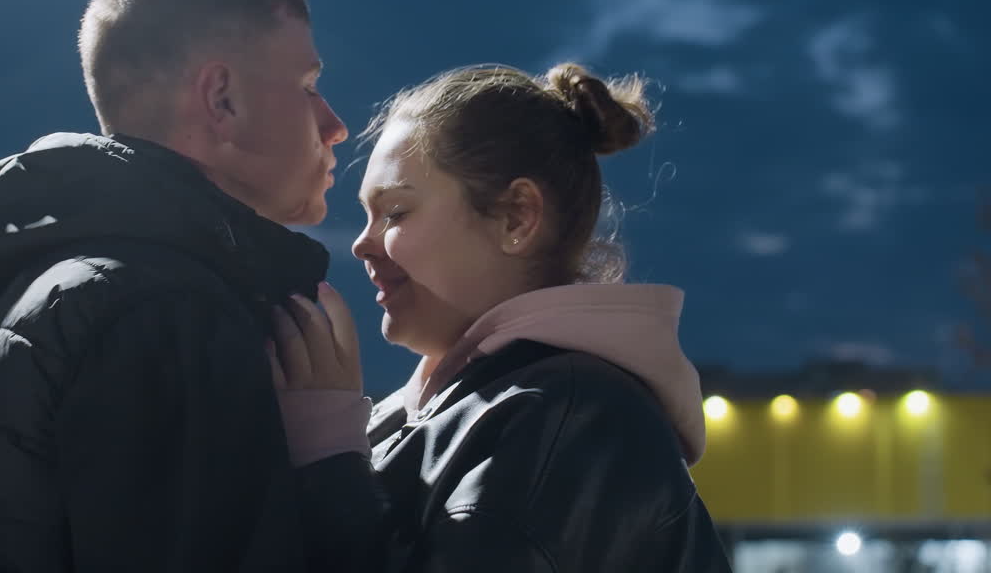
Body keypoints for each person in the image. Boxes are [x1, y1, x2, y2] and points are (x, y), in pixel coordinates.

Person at [0, 0, 374, 572]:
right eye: (309, 85)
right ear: (221, 97)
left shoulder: (41, 291)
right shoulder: (166, 310)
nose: (335, 123)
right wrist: (331, 458)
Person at [270, 63, 734, 571]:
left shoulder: (574, 418)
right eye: (365, 215)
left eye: (396, 212)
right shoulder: (476, 409)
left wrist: (330, 461)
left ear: (517, 216)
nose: (361, 243)